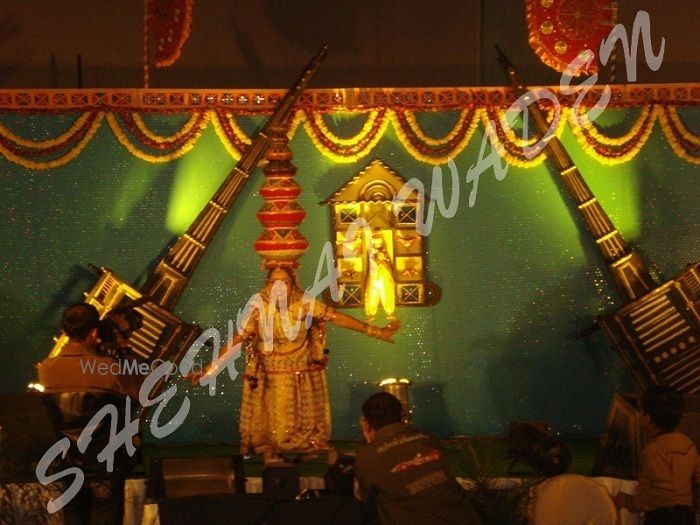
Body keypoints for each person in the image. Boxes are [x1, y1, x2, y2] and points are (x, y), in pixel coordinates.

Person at [195, 266, 400, 458]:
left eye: (284, 282)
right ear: (267, 284)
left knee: (302, 427)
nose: (279, 287)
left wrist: (376, 331)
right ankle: (270, 449)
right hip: (269, 375)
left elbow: (335, 317)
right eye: (274, 282)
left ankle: (303, 446)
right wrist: (209, 370)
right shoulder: (258, 307)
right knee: (272, 428)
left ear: (293, 284)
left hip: (300, 373)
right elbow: (238, 339)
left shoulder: (303, 302)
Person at [37, 303, 143, 525]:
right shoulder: (108, 369)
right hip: (104, 470)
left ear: (66, 331)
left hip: (66, 468)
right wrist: (123, 347)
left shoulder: (46, 369)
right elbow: (140, 392)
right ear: (95, 332)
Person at [354, 392, 481, 524]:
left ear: (367, 424)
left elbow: (363, 496)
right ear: (402, 415)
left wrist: (371, 446)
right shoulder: (427, 437)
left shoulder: (368, 455)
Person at [614, 386, 700, 524]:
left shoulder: (654, 449)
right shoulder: (686, 443)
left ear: (648, 419)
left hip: (662, 518)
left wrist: (628, 501)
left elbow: (660, 492)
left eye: (641, 410)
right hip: (686, 516)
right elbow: (697, 479)